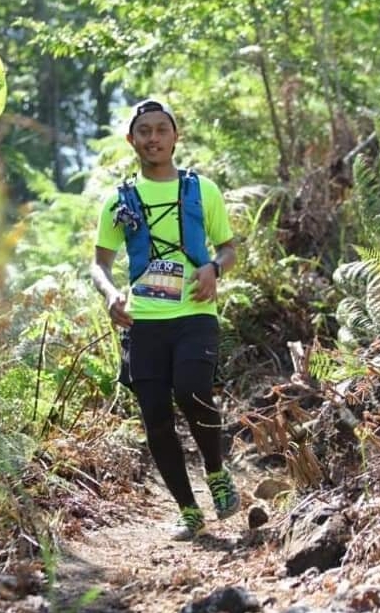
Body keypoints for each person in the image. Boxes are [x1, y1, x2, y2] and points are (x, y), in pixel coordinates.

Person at [90, 98, 240, 540]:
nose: (153, 138)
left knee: (192, 391)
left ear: (175, 136)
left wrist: (215, 268)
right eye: (144, 131)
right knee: (155, 416)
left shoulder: (201, 190)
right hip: (143, 321)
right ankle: (188, 509)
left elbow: (228, 247)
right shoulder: (119, 200)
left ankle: (215, 472)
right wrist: (111, 293)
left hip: (195, 312)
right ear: (131, 139)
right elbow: (98, 263)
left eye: (161, 129)